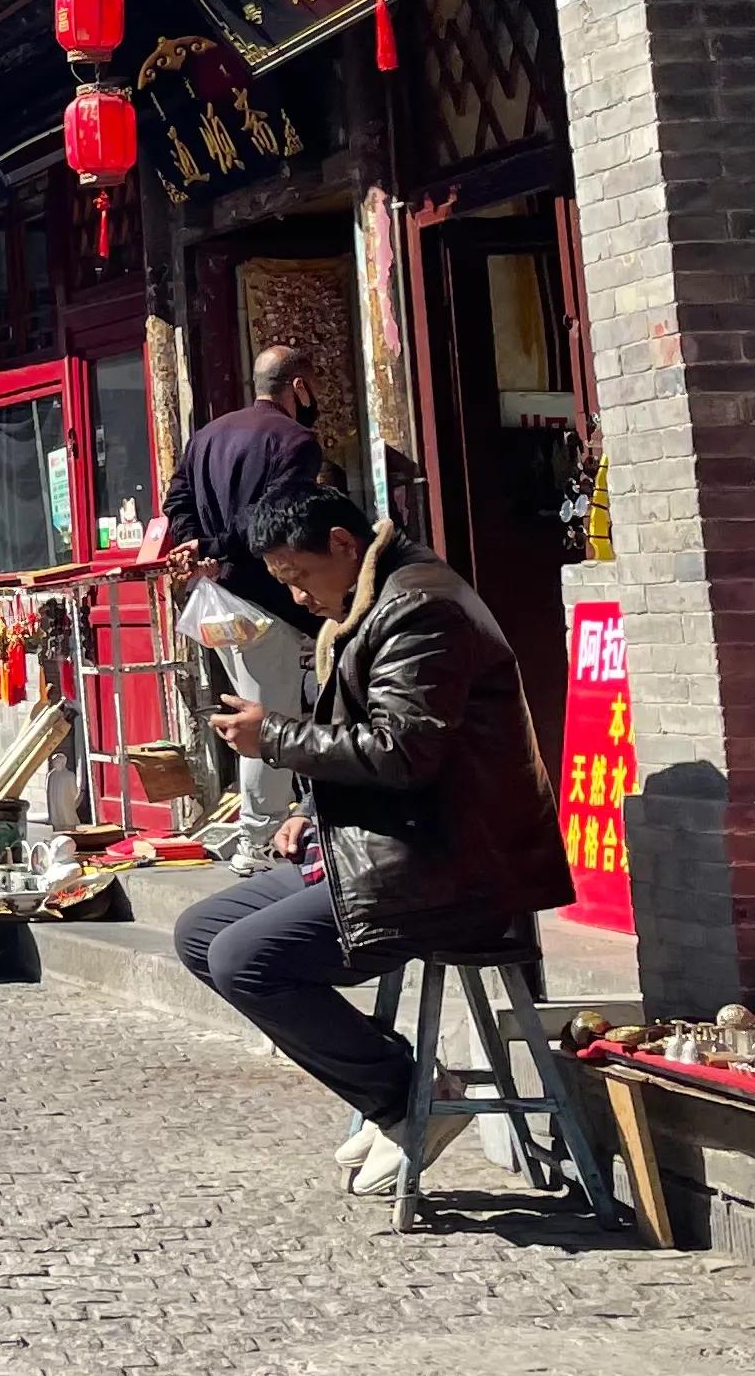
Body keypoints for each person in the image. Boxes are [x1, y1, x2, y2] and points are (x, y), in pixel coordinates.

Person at [179, 486, 573, 1198]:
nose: (297, 598)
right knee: (200, 931)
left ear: (342, 544)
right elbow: (375, 739)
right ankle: (394, 1087)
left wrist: (274, 737)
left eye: (298, 576)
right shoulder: (368, 603)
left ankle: (404, 1096)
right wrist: (307, 803)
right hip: (391, 843)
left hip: (455, 866)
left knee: (246, 959)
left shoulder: (419, 609)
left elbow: (402, 749)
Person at [160, 346, 337, 817]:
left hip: (217, 598)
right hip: (267, 599)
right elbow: (272, 519)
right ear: (298, 386)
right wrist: (210, 548)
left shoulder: (207, 436)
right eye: (311, 386)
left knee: (257, 708)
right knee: (269, 717)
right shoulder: (295, 440)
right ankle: (261, 832)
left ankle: (287, 818)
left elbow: (175, 499)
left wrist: (196, 544)